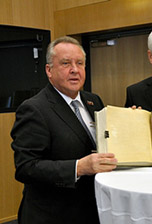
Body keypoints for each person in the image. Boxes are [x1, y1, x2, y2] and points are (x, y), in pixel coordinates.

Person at [11, 36, 117, 224]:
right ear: (49, 70)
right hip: (54, 214)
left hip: (93, 209)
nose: (75, 70)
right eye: (66, 63)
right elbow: (26, 167)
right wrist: (78, 167)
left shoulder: (94, 101)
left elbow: (103, 141)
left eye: (80, 63)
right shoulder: (34, 108)